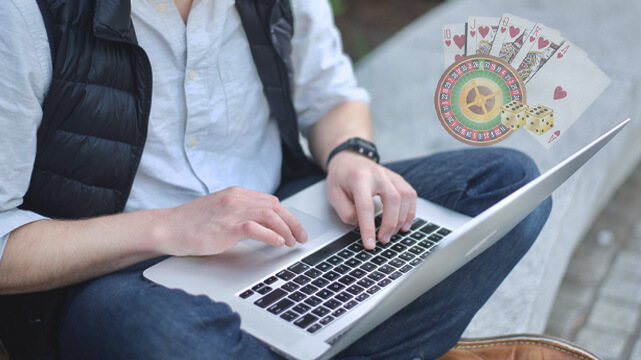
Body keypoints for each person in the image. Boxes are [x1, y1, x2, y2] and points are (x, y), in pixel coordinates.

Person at [0, 0, 551, 359]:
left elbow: (330, 95)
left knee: (508, 187)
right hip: (123, 272)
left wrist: (351, 155)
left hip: (286, 219)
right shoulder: (23, 18)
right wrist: (169, 227)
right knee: (170, 344)